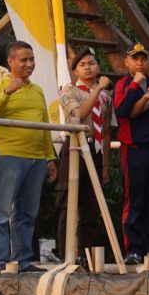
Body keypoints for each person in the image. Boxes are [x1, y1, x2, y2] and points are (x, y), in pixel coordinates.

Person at [0, 42, 58, 272]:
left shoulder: (37, 90)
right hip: (10, 156)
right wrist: (7, 92)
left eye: (32, 59)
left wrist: (50, 158)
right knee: (1, 212)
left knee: (27, 213)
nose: (30, 64)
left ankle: (23, 261)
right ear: (11, 62)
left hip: (37, 160)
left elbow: (44, 125)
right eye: (24, 60)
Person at [56, 48, 113, 260]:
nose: (87, 67)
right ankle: (65, 256)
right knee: (68, 204)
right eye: (82, 65)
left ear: (98, 67)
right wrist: (97, 89)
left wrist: (106, 164)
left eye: (91, 63)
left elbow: (106, 130)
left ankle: (86, 257)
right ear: (75, 71)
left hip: (95, 150)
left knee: (91, 208)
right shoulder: (68, 90)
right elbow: (79, 114)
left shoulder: (106, 96)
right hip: (74, 149)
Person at [113, 43, 149, 264]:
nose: (140, 62)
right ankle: (134, 249)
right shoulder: (124, 83)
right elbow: (122, 111)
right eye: (135, 59)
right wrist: (136, 85)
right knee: (134, 199)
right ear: (127, 62)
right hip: (133, 148)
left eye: (143, 58)